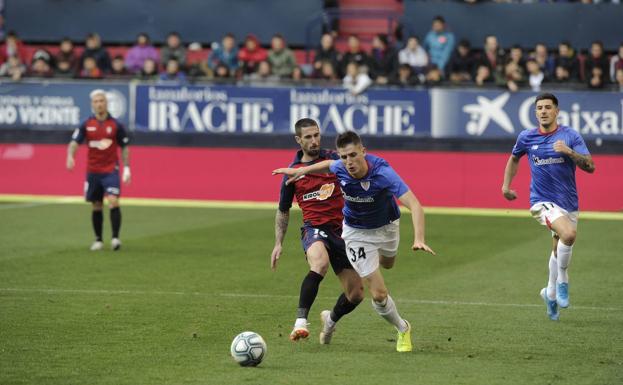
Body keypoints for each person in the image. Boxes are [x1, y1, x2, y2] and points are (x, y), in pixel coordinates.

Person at [274, 131, 435, 352]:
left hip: (387, 227)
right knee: (378, 293)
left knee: (388, 264)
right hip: (356, 233)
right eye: (344, 157)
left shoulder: (384, 173)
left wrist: (419, 238)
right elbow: (328, 164)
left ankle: (330, 319)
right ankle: (403, 328)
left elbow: (415, 205)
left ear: (363, 152)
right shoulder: (340, 166)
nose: (348, 162)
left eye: (352, 155)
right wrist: (303, 170)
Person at [502, 93, 595, 321]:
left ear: (556, 111)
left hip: (569, 202)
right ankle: (563, 282)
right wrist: (506, 185)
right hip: (541, 201)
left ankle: (549, 293)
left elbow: (590, 166)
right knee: (569, 234)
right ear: (535, 112)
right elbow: (514, 158)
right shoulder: (527, 137)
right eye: (539, 108)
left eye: (547, 107)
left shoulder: (570, 136)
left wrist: (569, 152)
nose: (543, 111)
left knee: (559, 246)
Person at [271, 119, 364, 344]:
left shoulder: (334, 159)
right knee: (319, 263)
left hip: (343, 232)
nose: (314, 141)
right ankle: (300, 323)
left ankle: (330, 320)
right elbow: (283, 211)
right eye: (308, 137)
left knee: (356, 294)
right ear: (298, 140)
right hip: (314, 229)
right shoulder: (292, 173)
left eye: (316, 135)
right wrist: (278, 243)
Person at [66, 89, 131, 251]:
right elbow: (74, 142)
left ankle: (115, 238)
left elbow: (124, 147)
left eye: (101, 101)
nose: (99, 104)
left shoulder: (116, 125)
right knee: (96, 205)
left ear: (106, 103)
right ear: (92, 105)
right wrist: (70, 156)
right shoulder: (86, 124)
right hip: (93, 171)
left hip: (111, 170)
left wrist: (127, 168)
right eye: (96, 101)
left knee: (113, 200)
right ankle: (98, 240)